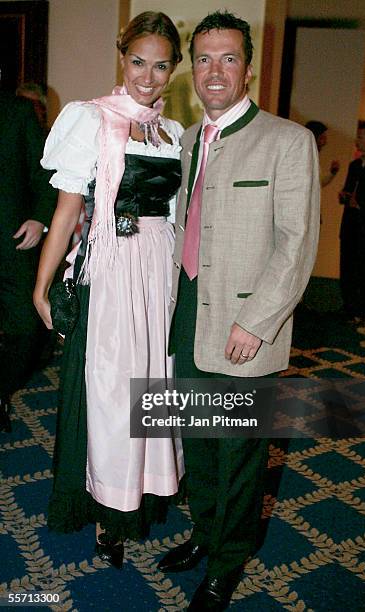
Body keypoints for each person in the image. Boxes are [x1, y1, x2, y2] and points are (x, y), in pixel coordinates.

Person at [158, 11, 320, 611]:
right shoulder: (189, 140)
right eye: (204, 59)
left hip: (246, 328)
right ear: (192, 69)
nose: (215, 70)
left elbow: (296, 244)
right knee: (197, 443)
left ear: (248, 67)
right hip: (188, 319)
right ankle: (205, 533)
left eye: (228, 58)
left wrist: (256, 324)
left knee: (240, 457)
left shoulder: (287, 140)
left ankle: (228, 563)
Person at [33, 12, 184, 568]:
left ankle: (138, 493)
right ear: (123, 58)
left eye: (161, 65)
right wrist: (43, 283)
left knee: (153, 383)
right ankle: (107, 507)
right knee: (112, 390)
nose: (148, 76)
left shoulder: (171, 133)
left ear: (173, 71)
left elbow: (174, 216)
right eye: (139, 61)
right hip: (114, 267)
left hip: (157, 269)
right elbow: (68, 205)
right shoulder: (91, 118)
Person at [0, 92, 56, 433]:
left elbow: (44, 172)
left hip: (13, 245)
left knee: (25, 329)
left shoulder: (17, 111)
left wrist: (38, 218)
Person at [339, 120, 365, 325]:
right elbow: (348, 190)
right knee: (347, 267)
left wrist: (361, 203)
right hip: (349, 225)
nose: (357, 141)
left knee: (363, 269)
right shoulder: (354, 165)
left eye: (361, 137)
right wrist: (345, 196)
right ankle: (348, 308)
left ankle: (361, 313)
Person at [305, 120, 340, 187]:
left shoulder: (313, 158)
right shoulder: (304, 158)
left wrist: (332, 173)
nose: (324, 142)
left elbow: (317, 184)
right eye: (322, 138)